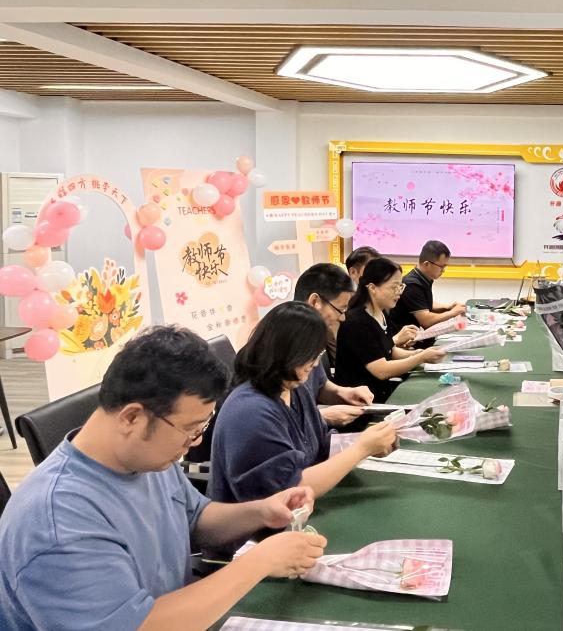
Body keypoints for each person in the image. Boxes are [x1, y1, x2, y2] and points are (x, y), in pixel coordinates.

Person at [0, 326, 328, 631]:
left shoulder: (147, 457)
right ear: (133, 417)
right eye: (190, 430)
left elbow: (195, 517)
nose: (195, 442)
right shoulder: (58, 521)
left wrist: (260, 511)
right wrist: (260, 562)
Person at [209, 302, 398, 507]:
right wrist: (360, 449)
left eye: (318, 355)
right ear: (286, 354)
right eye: (311, 357)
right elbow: (291, 490)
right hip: (261, 524)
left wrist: (367, 442)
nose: (315, 364)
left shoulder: (294, 387)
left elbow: (319, 444)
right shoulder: (251, 411)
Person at [294, 264, 415, 427]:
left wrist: (344, 393)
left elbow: (320, 385)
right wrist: (322, 416)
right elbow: (275, 417)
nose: (342, 318)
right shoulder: (284, 341)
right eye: (340, 309)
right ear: (315, 302)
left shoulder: (312, 335)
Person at [335, 258, 446, 401]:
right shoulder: (357, 322)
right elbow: (381, 370)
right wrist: (420, 358)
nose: (399, 292)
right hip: (361, 402)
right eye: (394, 287)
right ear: (372, 288)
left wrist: (417, 353)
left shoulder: (381, 313)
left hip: (381, 393)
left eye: (401, 286)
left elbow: (390, 351)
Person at [388, 240, 467, 345]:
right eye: (441, 266)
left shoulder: (423, 278)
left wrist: (447, 307)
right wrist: (452, 313)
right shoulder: (412, 284)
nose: (443, 270)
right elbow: (426, 321)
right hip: (403, 344)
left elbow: (422, 303)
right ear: (427, 264)